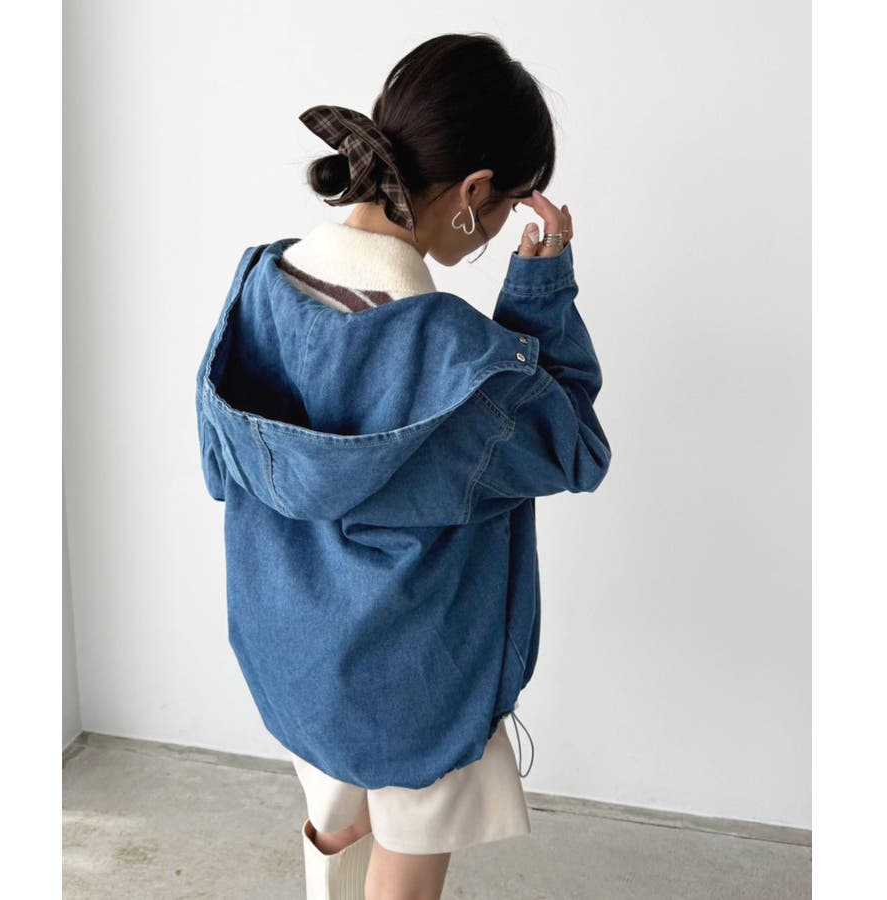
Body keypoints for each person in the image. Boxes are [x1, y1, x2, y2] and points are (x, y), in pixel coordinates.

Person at [195, 33, 612, 900]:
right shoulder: (456, 361)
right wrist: (541, 292)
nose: (500, 228)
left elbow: (220, 469)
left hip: (294, 651)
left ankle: (331, 858)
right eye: (507, 206)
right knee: (408, 869)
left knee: (339, 801)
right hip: (418, 676)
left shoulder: (259, 283)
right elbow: (575, 445)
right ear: (473, 192)